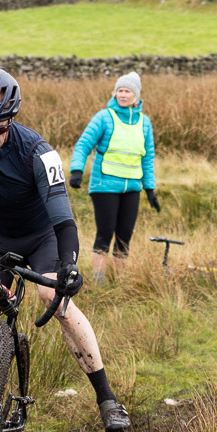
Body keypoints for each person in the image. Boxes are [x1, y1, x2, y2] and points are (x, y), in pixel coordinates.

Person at [0, 67, 131, 432]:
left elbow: (64, 223)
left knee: (53, 298)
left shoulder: (38, 152)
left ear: (10, 123)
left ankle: (107, 399)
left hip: (43, 236)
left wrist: (69, 266)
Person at [68, 71, 159, 284]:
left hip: (132, 187)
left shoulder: (145, 123)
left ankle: (120, 282)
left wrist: (150, 189)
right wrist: (77, 170)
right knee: (105, 234)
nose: (123, 95)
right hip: (104, 185)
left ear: (136, 96)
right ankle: (99, 282)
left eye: (127, 91)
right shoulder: (104, 117)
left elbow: (148, 157)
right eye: (120, 90)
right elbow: (83, 144)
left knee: (124, 237)